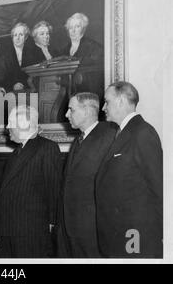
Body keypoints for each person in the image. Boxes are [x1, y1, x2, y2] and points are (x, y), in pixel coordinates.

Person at [96, 81, 163, 258]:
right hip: (119, 232)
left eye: (107, 102)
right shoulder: (122, 133)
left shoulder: (143, 133)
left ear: (121, 101)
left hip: (135, 233)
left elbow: (158, 187)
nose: (103, 107)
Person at [0, 105, 62, 257]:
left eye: (10, 122)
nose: (7, 127)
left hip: (31, 232)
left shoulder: (47, 148)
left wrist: (52, 224)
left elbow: (54, 189)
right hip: (8, 232)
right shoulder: (15, 154)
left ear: (23, 124)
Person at [57, 92, 116, 258]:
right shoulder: (78, 140)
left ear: (88, 111)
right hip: (70, 229)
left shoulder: (109, 136)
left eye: (71, 110)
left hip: (92, 232)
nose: (67, 114)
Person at [61, 13, 104, 99]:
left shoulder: (93, 46)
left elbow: (97, 68)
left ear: (83, 29)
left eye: (77, 27)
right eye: (70, 27)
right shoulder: (64, 50)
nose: (73, 30)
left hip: (87, 93)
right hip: (67, 93)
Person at [0, 22, 32, 95]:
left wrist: (22, 84)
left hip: (26, 89)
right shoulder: (4, 55)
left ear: (25, 37)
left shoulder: (31, 53)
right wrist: (13, 85)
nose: (18, 37)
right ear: (12, 37)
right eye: (15, 35)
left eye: (21, 35)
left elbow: (32, 75)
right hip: (9, 91)